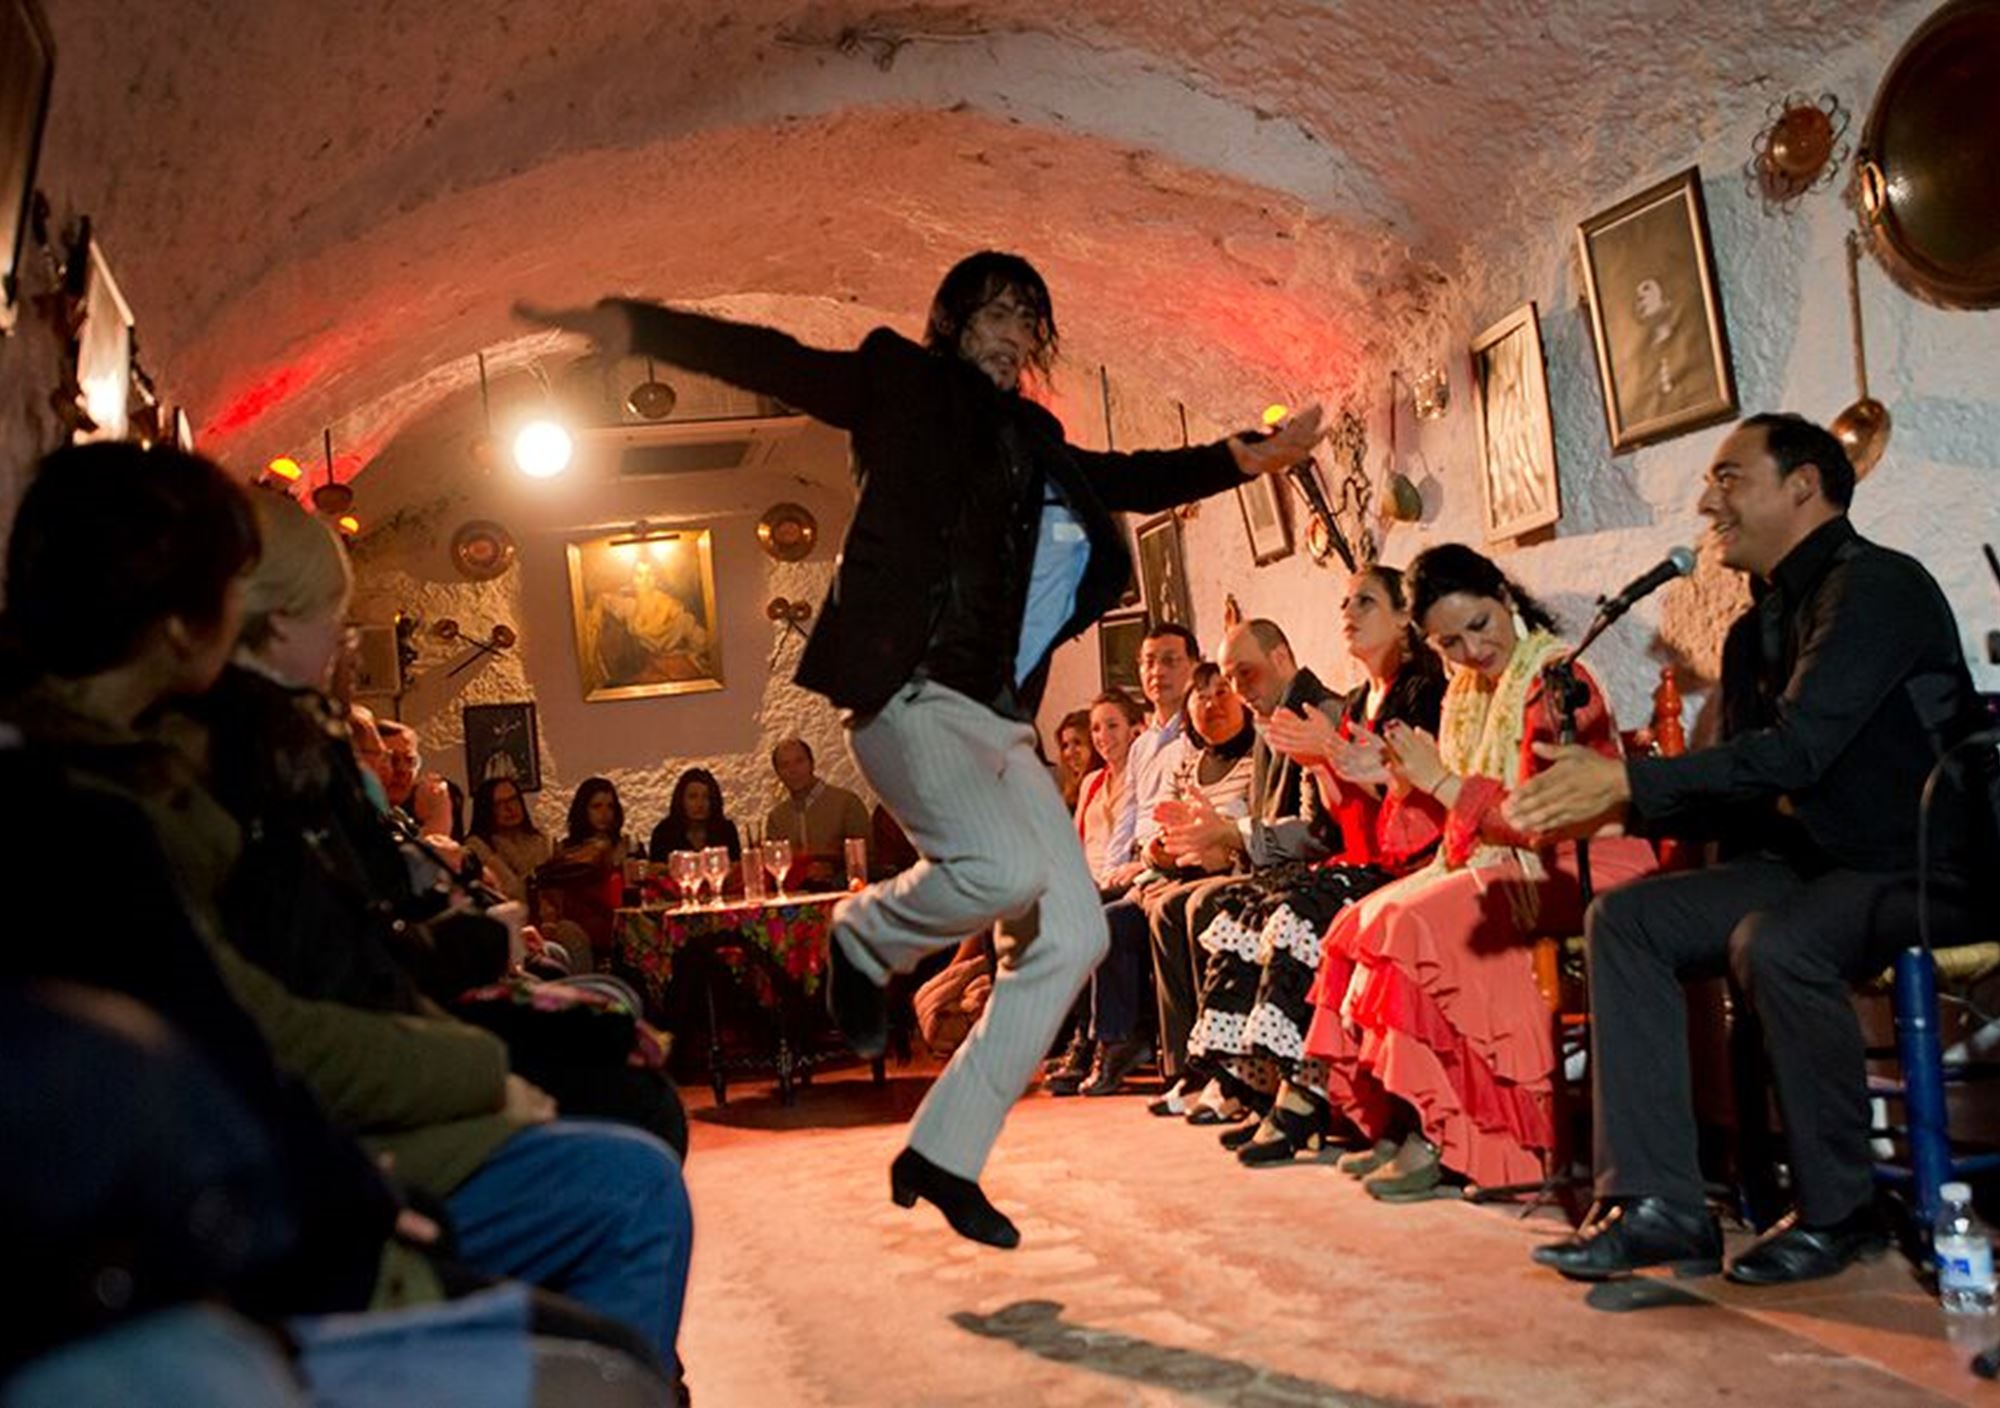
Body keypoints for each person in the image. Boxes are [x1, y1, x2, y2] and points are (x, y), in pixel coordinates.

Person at [520, 249, 1322, 1247]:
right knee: (990, 867)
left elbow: (1129, 474)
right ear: (950, 320)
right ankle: (865, 934)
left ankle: (940, 1150)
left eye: (1027, 319)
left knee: (1071, 933)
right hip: (903, 695)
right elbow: (772, 358)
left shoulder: (1033, 437)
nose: (1010, 330)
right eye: (991, 310)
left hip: (993, 717)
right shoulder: (895, 378)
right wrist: (638, 325)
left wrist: (1247, 455)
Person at [0, 443, 693, 1376]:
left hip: (247, 1169)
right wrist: (462, 1092)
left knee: (612, 1064)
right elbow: (262, 1027)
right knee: (625, 1189)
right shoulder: (119, 803)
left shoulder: (126, 772)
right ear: (193, 625)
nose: (347, 647)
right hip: (236, 1219)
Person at [1512, 414, 1994, 1285]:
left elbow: (1801, 751)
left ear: (1804, 483)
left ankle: (1841, 1213)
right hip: (1812, 865)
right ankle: (1661, 1206)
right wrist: (1615, 810)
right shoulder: (1752, 630)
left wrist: (1629, 785)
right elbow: (1747, 789)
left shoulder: (1878, 586)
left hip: (1920, 865)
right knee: (1626, 917)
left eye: (1730, 477)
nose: (1708, 500)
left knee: (1775, 940)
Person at [1297, 544, 1657, 1202]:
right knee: (1355, 923)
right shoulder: (1464, 692)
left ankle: (1479, 1140)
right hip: (1500, 857)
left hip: (1574, 861)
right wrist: (1397, 777)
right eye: (1449, 642)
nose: (1469, 652)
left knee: (1410, 924)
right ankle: (1413, 1117)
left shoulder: (1555, 678)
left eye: (1480, 627)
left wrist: (1441, 780)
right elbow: (1447, 825)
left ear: (1503, 595)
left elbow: (1547, 816)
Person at [1186, 565, 1448, 1164]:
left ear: (1404, 617)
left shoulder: (1425, 693)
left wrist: (1337, 755)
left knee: (1302, 911)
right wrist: (1323, 765)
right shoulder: (1356, 702)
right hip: (1362, 856)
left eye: (1365, 602)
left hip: (1414, 859)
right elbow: (1336, 823)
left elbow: (1427, 797)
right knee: (1247, 907)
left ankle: (1302, 1099)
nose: (1347, 614)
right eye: (1344, 604)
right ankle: (1267, 1087)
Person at [1144, 618, 1343, 1115]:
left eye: (1243, 676)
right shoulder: (1269, 723)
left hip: (1317, 870)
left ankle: (1236, 1072)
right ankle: (1194, 1066)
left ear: (1280, 658)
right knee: (1171, 906)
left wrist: (1233, 835)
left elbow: (1319, 832)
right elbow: (1261, 821)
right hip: (1272, 864)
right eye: (1228, 681)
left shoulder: (1319, 710)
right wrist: (1215, 834)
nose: (1236, 692)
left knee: (1204, 904)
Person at [762, 737, 871, 873]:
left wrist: (832, 869)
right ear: (777, 773)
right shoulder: (777, 818)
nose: (793, 770)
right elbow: (774, 866)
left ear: (812, 764)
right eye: (784, 765)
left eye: (799, 761)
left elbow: (867, 857)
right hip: (795, 892)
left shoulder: (846, 803)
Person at [465, 776, 554, 903]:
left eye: (513, 799)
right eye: (498, 804)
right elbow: (511, 891)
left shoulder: (540, 841)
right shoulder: (477, 846)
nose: (509, 808)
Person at [648, 766, 743, 862]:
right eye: (693, 797)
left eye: (706, 797)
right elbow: (655, 869)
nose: (700, 804)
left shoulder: (726, 830)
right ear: (681, 800)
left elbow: (736, 866)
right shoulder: (664, 832)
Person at [558, 776, 633, 870]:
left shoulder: (625, 848)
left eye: (610, 806)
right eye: (596, 806)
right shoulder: (566, 850)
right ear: (583, 809)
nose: (604, 813)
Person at [1053, 708, 1102, 814]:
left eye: (1077, 743)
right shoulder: (1066, 794)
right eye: (1065, 745)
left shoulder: (1102, 789)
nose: (1070, 752)